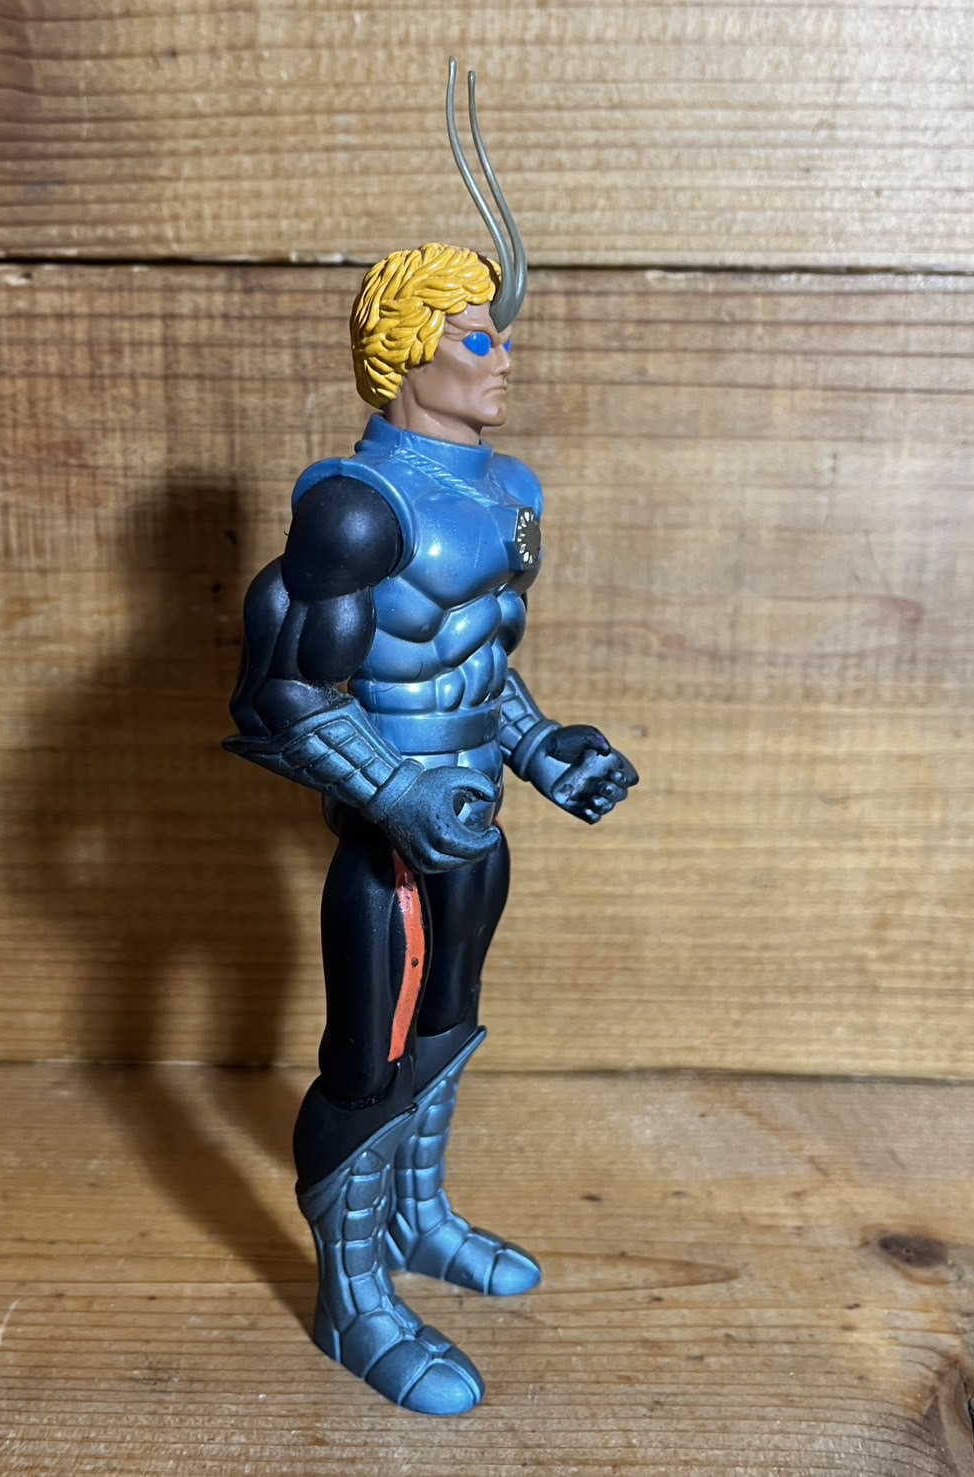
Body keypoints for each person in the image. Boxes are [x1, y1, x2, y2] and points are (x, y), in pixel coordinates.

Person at [224, 67, 638, 1417]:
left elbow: (480, 668)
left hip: (474, 827)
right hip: (393, 846)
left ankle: (416, 1215)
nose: (501, 355)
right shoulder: (356, 508)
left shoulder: (509, 489)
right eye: (474, 336)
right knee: (368, 1056)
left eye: (499, 334)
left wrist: (543, 744)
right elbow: (284, 700)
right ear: (410, 352)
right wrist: (396, 793)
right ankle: (350, 1292)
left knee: (452, 1020)